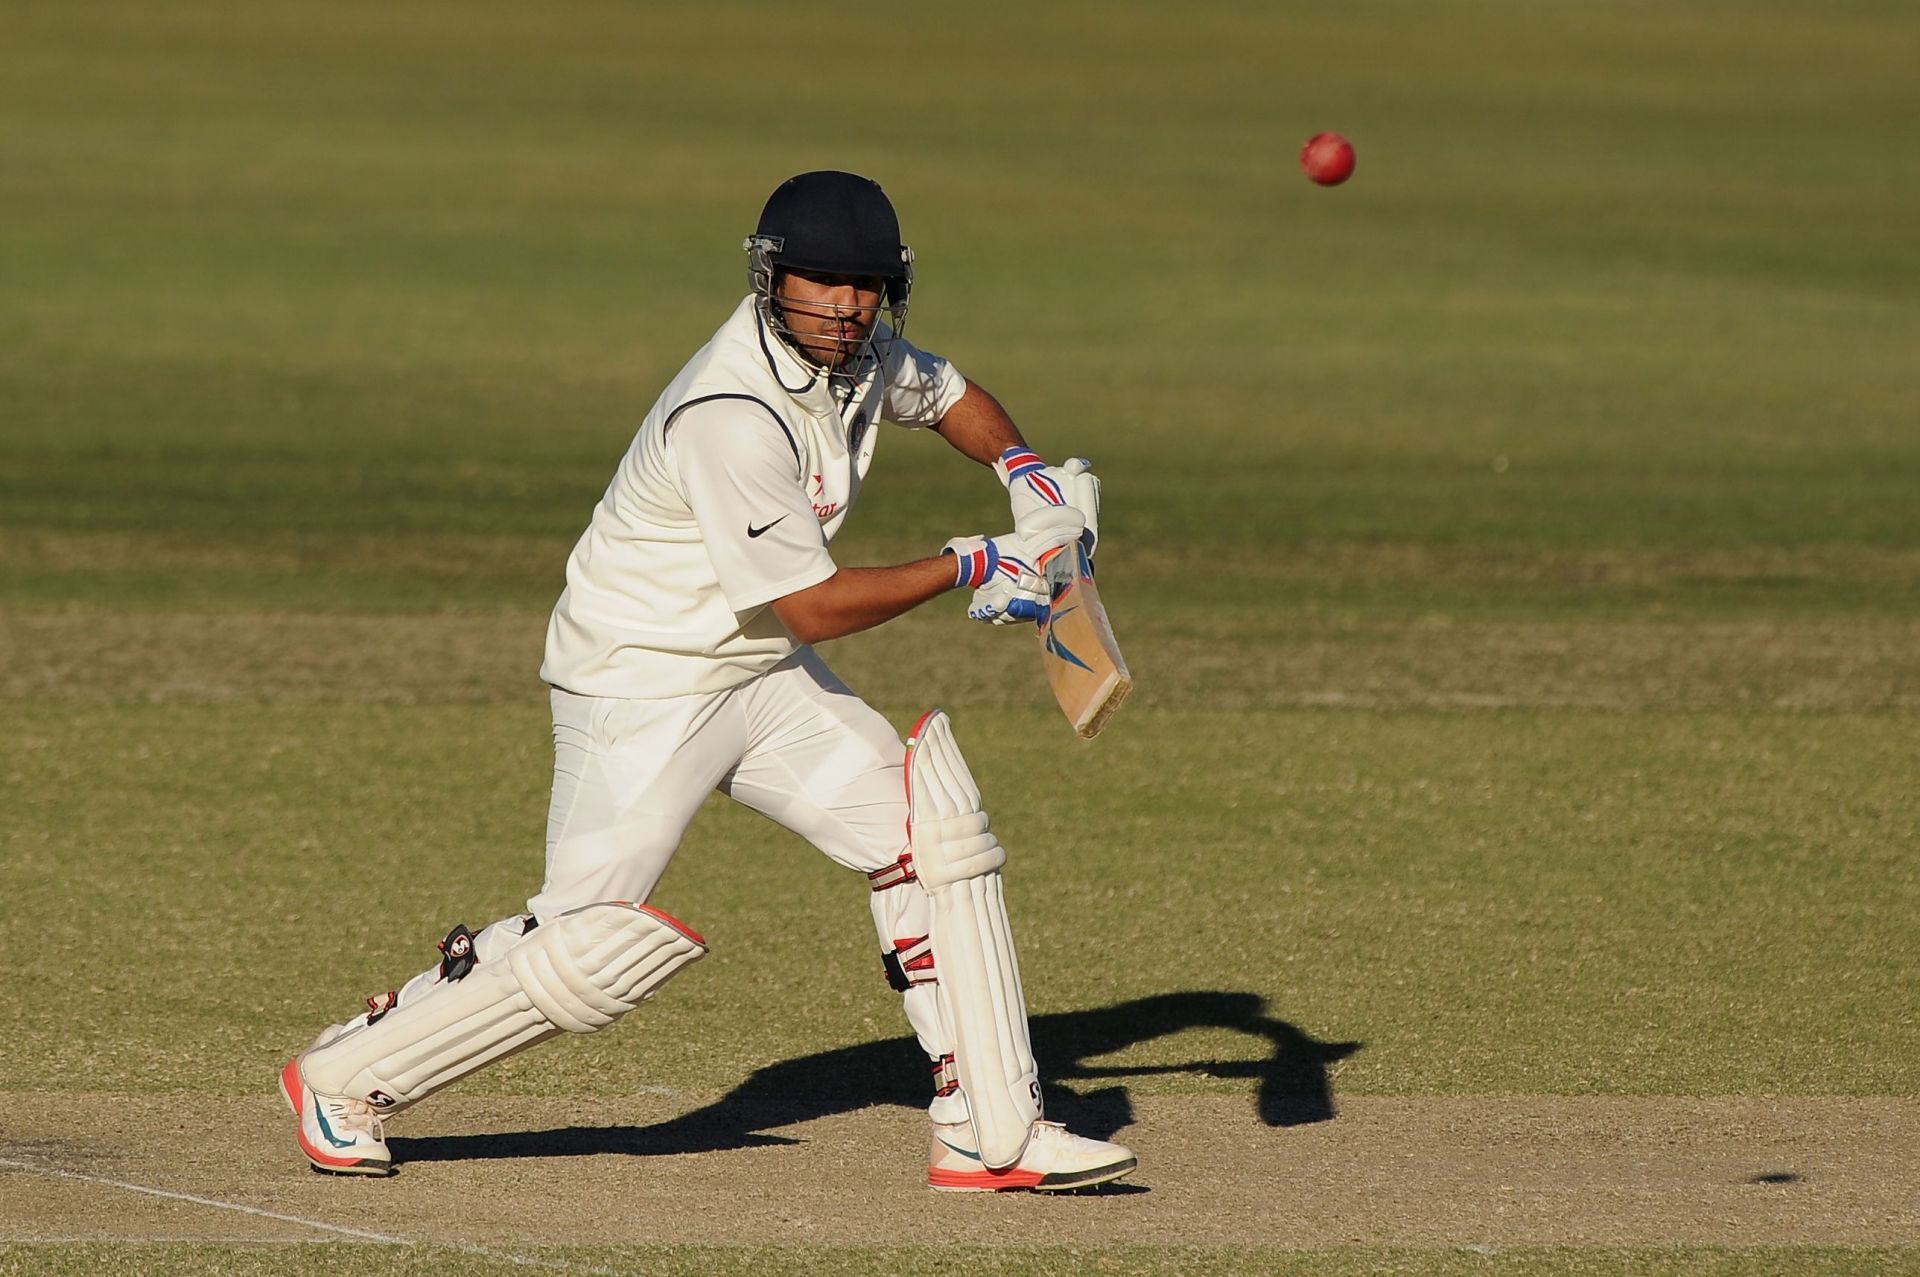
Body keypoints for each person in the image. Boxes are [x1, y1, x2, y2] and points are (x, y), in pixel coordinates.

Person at [279, 170, 1134, 1193]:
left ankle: (990, 1123)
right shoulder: (730, 412)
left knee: (930, 834)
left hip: (754, 670)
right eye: (822, 282)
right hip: (641, 680)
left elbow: (949, 397)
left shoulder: (858, 354)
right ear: (773, 280)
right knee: (589, 939)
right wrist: (975, 561)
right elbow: (812, 606)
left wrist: (1026, 473)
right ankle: (345, 1074)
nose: (846, 305)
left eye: (864, 285)